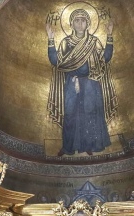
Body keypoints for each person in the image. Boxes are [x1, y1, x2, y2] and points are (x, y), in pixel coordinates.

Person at [47, 9, 117, 156]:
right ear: (71, 24)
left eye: (83, 20)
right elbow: (56, 61)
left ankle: (88, 145)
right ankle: (68, 147)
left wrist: (109, 36)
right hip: (72, 83)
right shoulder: (66, 43)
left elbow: (105, 58)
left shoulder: (93, 42)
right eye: (77, 21)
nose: (80, 24)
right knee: (70, 114)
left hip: (91, 83)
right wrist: (51, 40)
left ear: (88, 24)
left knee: (89, 113)